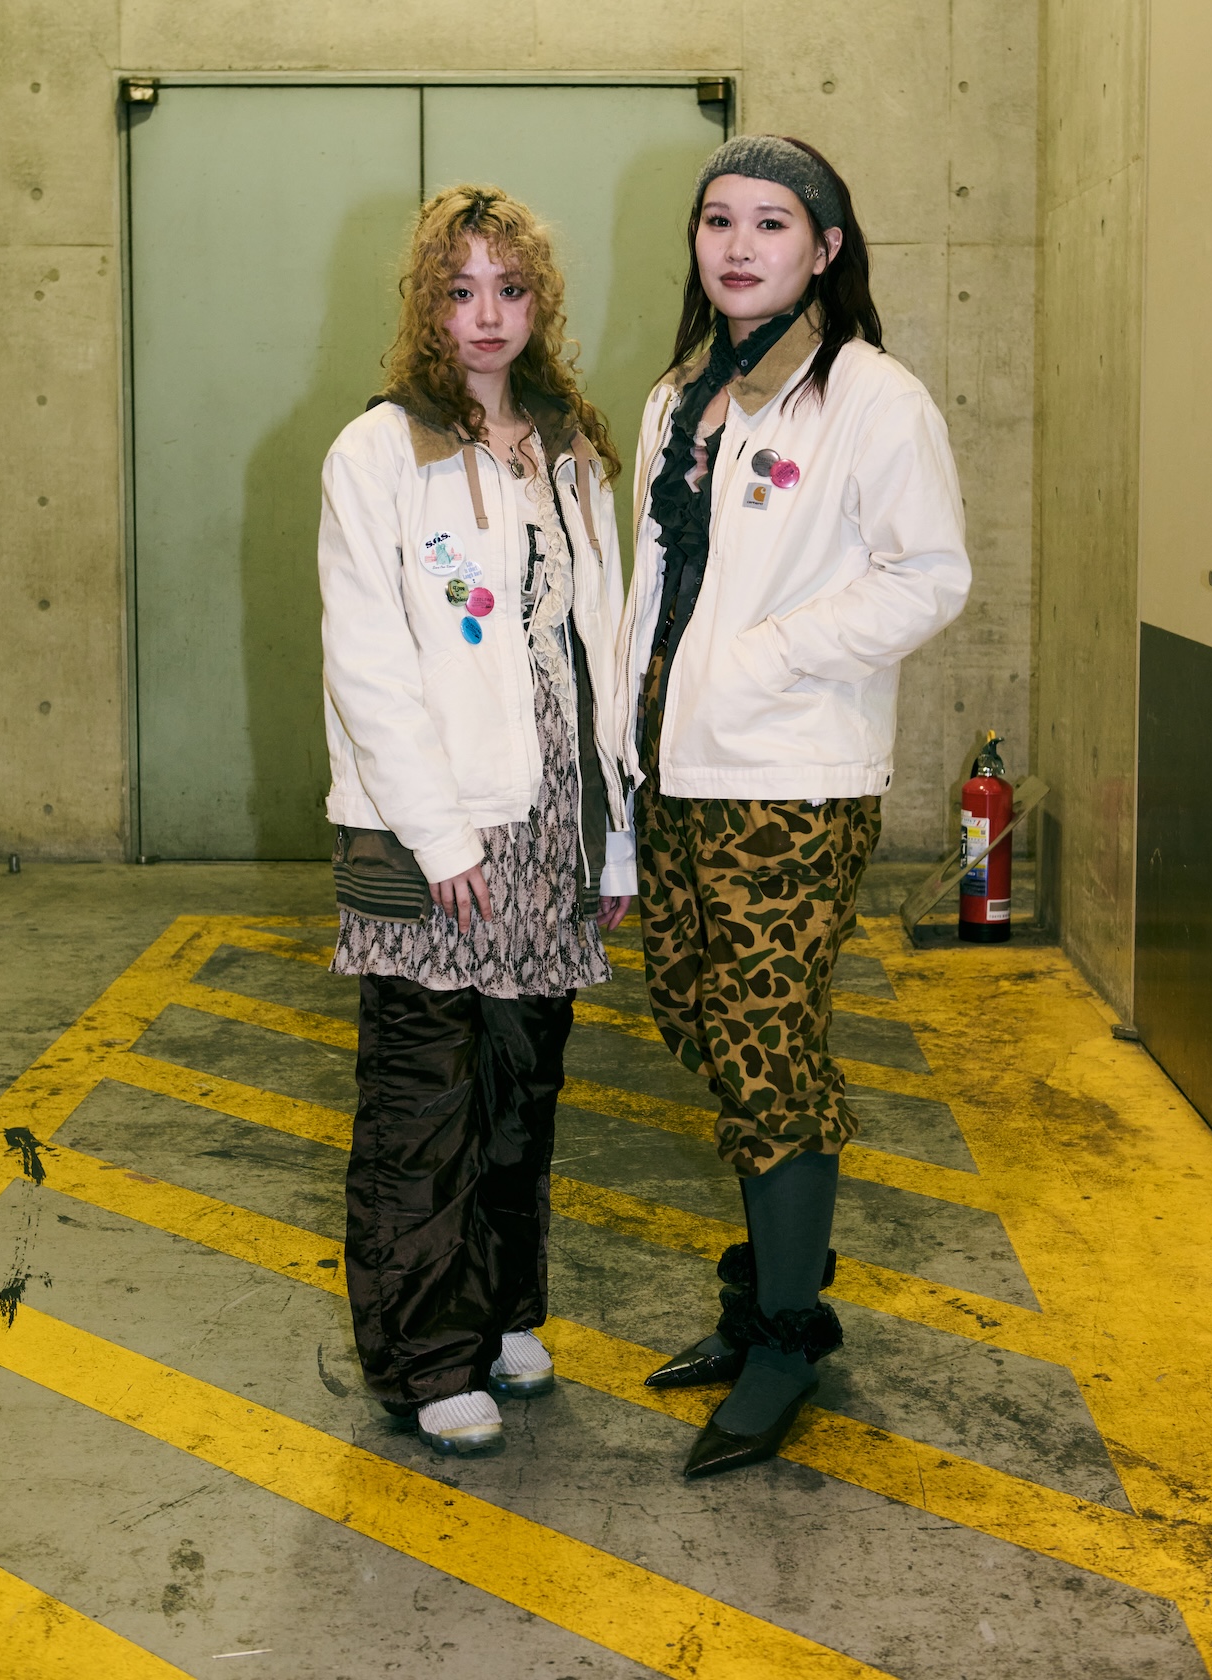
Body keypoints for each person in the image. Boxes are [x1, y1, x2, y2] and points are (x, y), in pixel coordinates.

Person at [617, 134, 970, 1479]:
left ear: (824, 249)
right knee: (697, 1015)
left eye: (771, 222)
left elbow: (929, 574)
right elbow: (653, 584)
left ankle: (784, 1334)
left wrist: (765, 656)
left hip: (791, 775)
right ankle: (772, 1279)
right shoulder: (679, 395)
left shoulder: (871, 397)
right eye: (718, 219)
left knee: (768, 1051)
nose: (738, 244)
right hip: (678, 761)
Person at [319, 184, 633, 1456]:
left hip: (552, 824)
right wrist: (441, 837)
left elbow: (601, 647)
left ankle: (499, 1310)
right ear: (426, 305)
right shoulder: (378, 451)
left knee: (519, 1089)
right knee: (424, 1100)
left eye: (510, 288)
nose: (487, 315)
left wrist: (614, 833)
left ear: (540, 303)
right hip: (432, 830)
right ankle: (424, 1354)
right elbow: (369, 662)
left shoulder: (568, 446)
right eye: (460, 291)